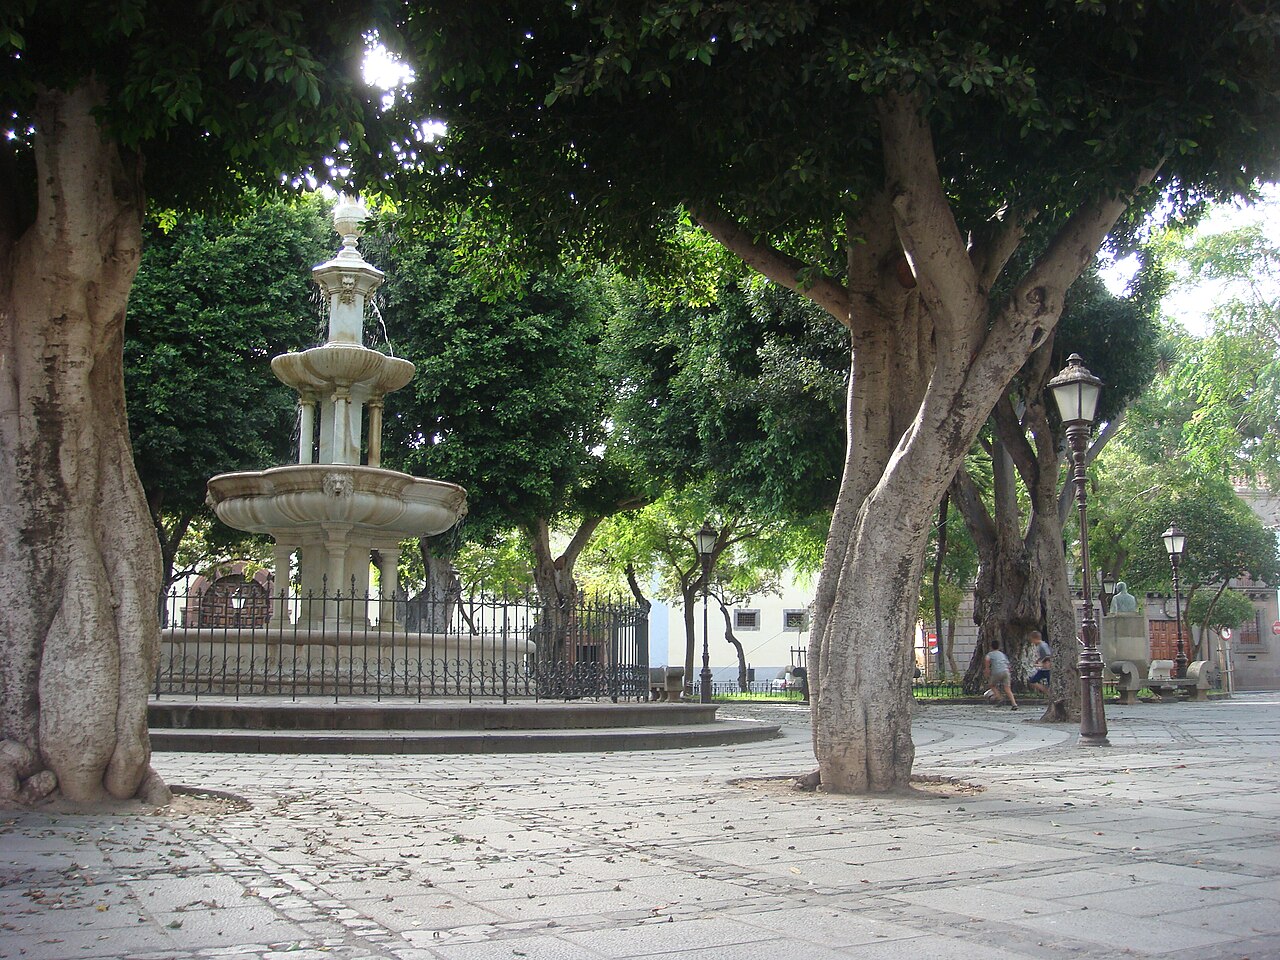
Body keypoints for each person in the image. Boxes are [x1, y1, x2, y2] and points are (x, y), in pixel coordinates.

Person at [984, 638, 1018, 711]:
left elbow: (987, 663)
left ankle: (999, 698)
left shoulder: (989, 654)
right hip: (1006, 671)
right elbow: (1008, 665)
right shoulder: (1002, 655)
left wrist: (987, 672)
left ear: (991, 647)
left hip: (996, 672)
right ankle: (1014, 704)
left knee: (991, 685)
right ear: (999, 647)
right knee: (1007, 689)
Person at [1028, 629, 1052, 696]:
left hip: (1047, 668)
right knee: (1032, 681)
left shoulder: (1042, 645)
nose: (1032, 642)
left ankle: (1049, 694)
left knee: (1034, 681)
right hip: (1043, 669)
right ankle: (1049, 694)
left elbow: (1048, 655)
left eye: (1032, 640)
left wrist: (1041, 662)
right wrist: (1038, 660)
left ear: (1035, 638)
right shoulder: (1040, 645)